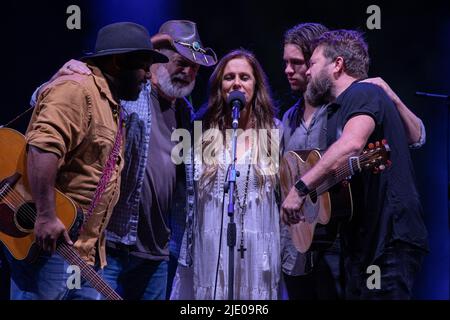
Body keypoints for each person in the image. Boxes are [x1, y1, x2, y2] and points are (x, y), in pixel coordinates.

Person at [47, 20, 218, 299]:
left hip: (157, 253)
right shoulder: (129, 93)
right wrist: (149, 45)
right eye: (180, 62)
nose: (188, 72)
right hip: (111, 244)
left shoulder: (187, 115)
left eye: (195, 67)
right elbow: (42, 101)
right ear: (156, 62)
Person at [4, 22, 166, 300]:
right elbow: (44, 146)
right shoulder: (77, 90)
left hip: (84, 253)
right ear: (118, 62)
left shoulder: (111, 104)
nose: (147, 77)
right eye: (143, 66)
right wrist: (44, 215)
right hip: (50, 249)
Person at [281, 23, 426, 300]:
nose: (307, 71)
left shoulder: (361, 94)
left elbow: (352, 144)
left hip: (388, 238)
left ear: (337, 64)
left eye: (312, 63)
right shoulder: (340, 107)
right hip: (363, 241)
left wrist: (300, 189)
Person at [172, 49, 282, 300]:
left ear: (256, 85)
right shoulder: (200, 132)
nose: (237, 83)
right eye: (229, 77)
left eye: (245, 77)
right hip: (210, 245)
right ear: (219, 86)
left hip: (257, 247)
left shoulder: (275, 132)